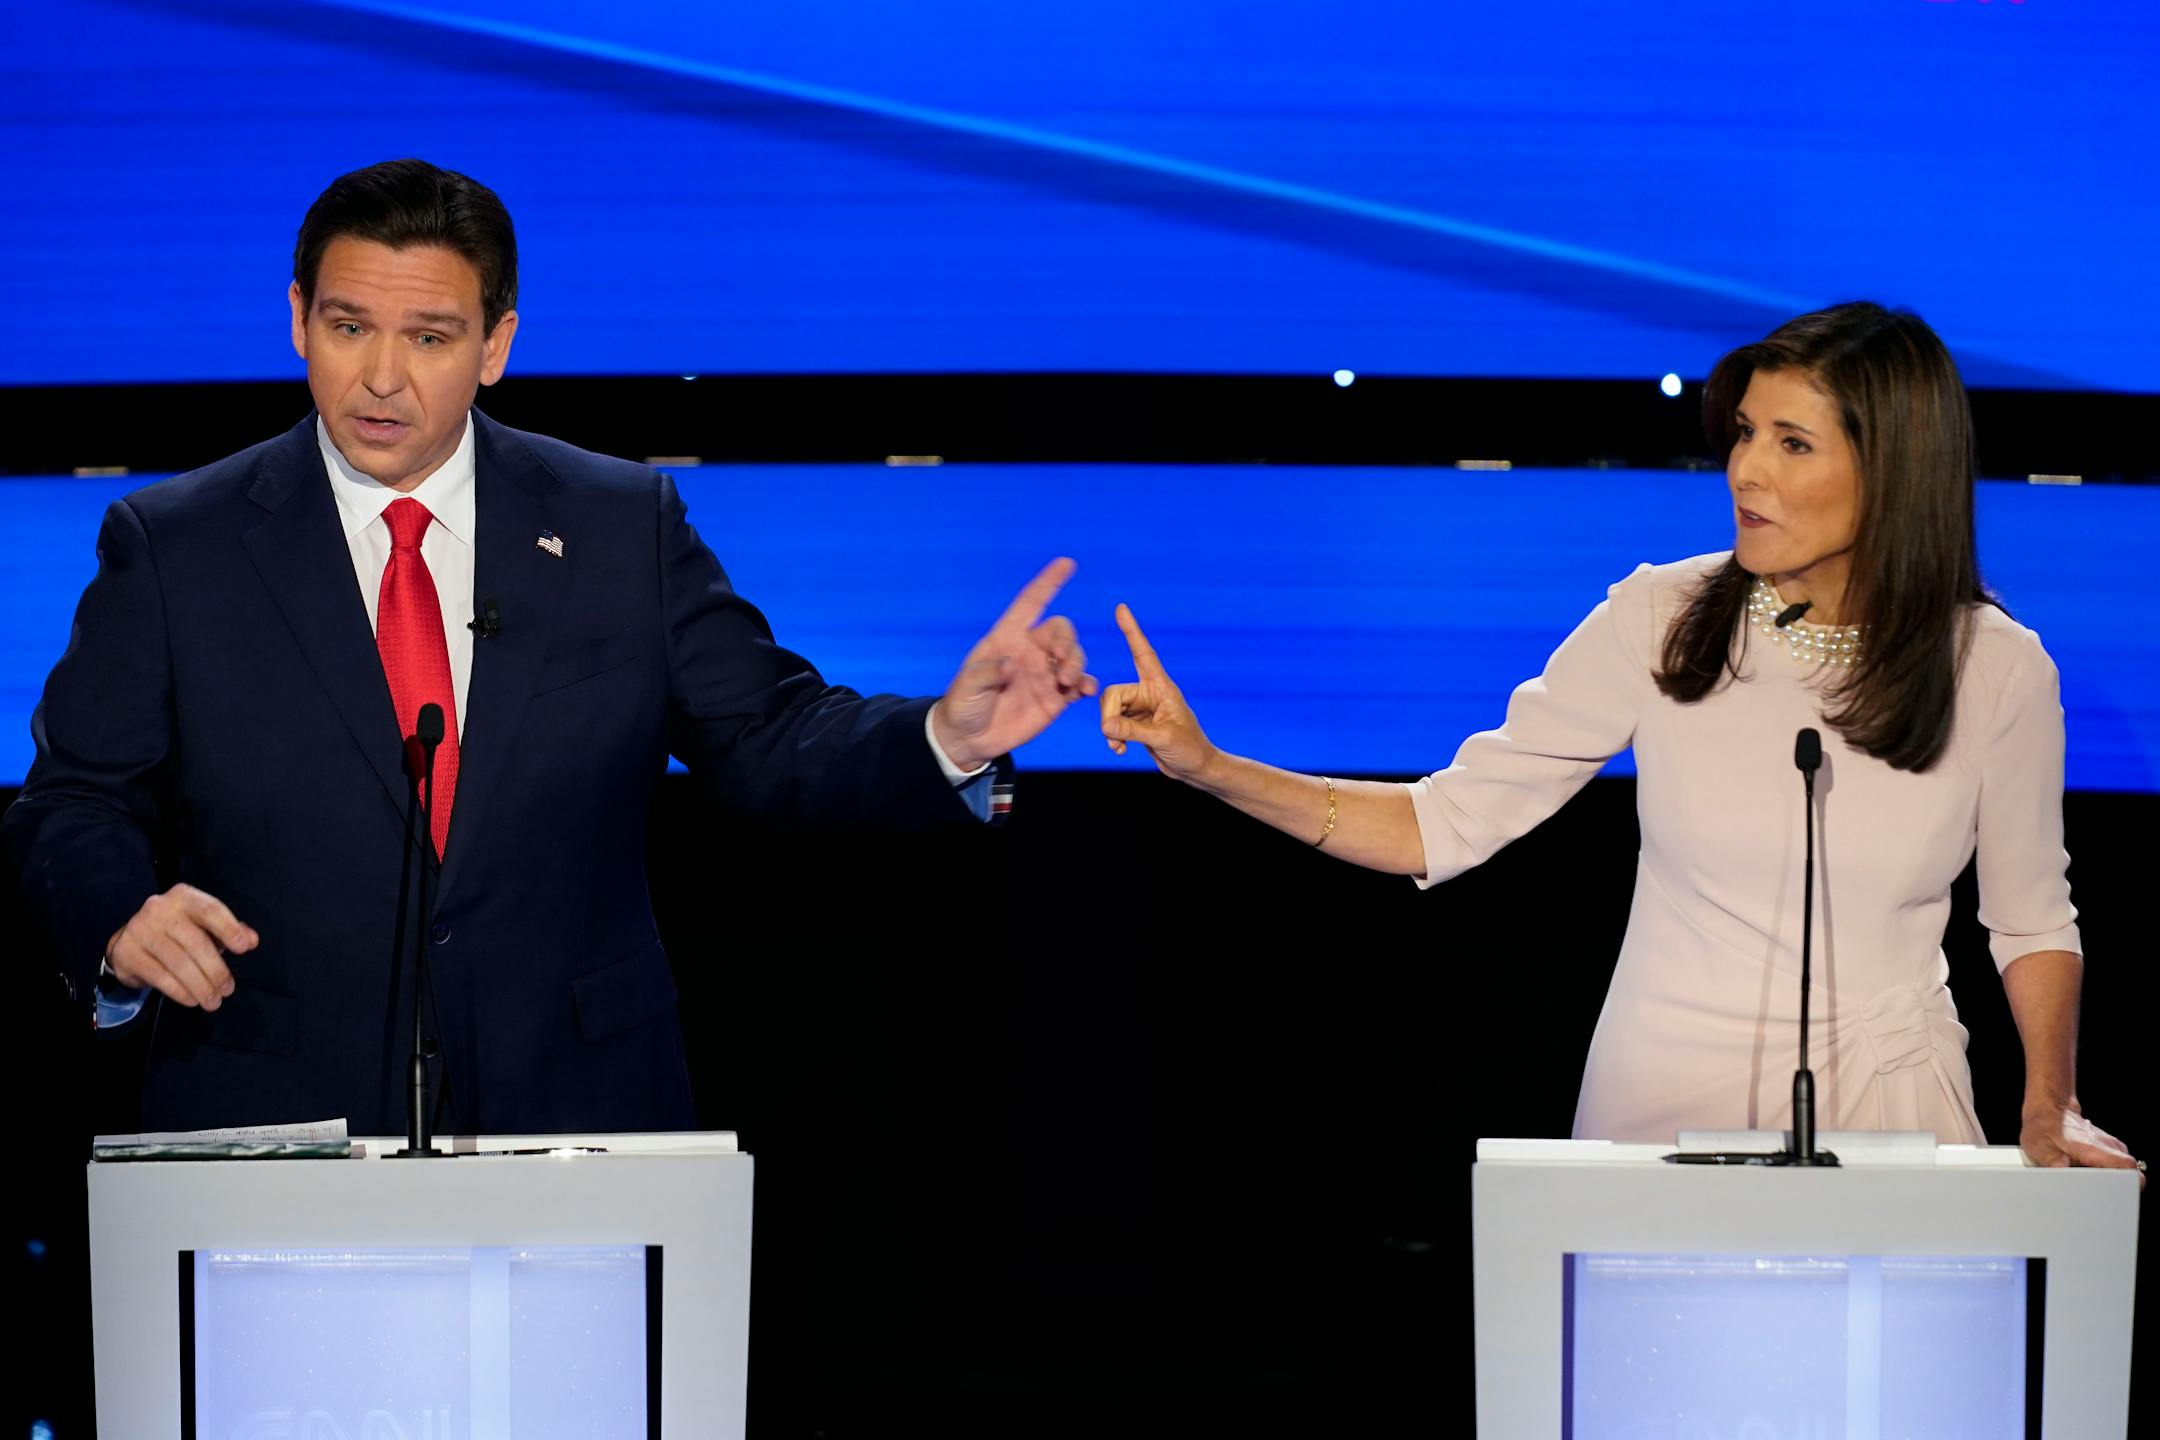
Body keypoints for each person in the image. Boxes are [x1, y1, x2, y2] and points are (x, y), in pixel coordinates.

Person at [3, 158, 1095, 1137]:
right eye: (347, 326)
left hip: (574, 1108)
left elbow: (763, 735)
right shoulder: (177, 544)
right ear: (297, 319)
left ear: (496, 346)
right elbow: (73, 799)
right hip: (273, 1107)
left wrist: (944, 735)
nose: (381, 376)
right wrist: (118, 919)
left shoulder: (619, 526)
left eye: (429, 337)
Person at [1099, 302, 2139, 1175]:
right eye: (1742, 433)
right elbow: (1443, 821)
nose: (1746, 471)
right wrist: (1212, 769)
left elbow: (2032, 919)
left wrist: (2050, 1103)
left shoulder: (1996, 668)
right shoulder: (1662, 617)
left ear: (1895, 469)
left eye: (1791, 443)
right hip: (1666, 1116)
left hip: (1891, 1120)